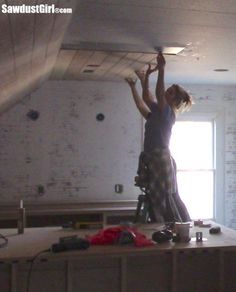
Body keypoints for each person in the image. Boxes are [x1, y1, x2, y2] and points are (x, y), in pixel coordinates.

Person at [125, 52, 192, 223]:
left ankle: (169, 225)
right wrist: (139, 82)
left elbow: (157, 92)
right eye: (168, 91)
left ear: (174, 101)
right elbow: (144, 101)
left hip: (159, 158)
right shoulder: (157, 113)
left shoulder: (167, 113)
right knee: (158, 196)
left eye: (169, 93)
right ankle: (165, 224)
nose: (166, 93)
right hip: (155, 158)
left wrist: (161, 69)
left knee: (162, 197)